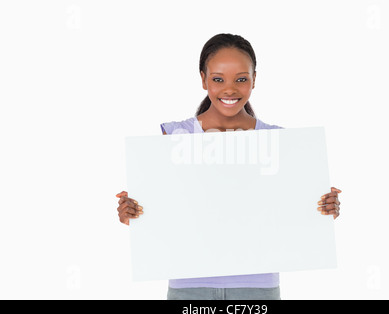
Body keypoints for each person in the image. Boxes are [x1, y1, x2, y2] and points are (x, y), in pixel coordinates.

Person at [116, 33, 342, 300]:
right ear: (203, 79)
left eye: (241, 79)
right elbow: (164, 210)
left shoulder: (281, 142)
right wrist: (133, 213)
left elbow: (293, 210)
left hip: (257, 287)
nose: (229, 89)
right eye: (218, 79)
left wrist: (323, 208)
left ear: (254, 80)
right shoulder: (174, 137)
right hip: (189, 286)